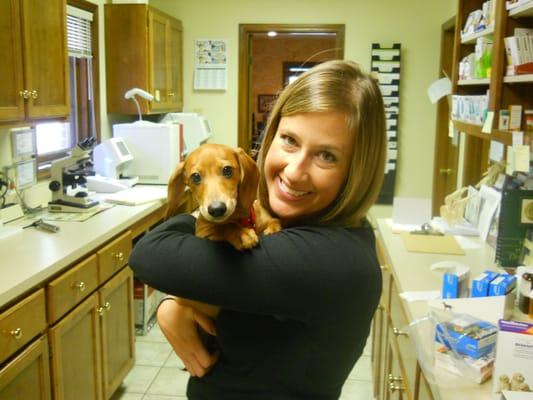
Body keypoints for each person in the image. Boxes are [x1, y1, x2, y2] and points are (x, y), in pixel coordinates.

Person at [129, 59, 387, 400]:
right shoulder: (301, 225)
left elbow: (151, 253)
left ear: (358, 170)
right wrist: (175, 305)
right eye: (290, 140)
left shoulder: (331, 259)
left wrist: (176, 298)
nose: (294, 172)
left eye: (326, 155)